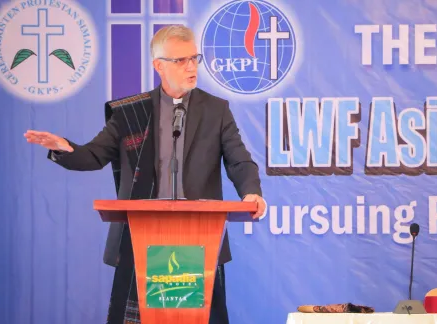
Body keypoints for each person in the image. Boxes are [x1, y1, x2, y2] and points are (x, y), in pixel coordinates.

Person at [24, 25, 266, 324]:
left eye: (195, 58)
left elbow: (239, 160)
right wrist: (64, 147)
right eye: (181, 60)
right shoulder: (131, 113)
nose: (191, 67)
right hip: (142, 239)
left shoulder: (216, 110)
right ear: (159, 65)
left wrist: (251, 191)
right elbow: (94, 155)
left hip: (200, 239)